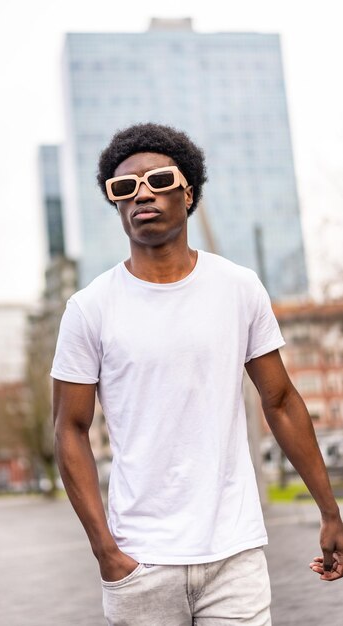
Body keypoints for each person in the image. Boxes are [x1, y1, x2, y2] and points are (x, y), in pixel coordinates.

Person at [51, 123, 343, 625]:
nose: (141, 194)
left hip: (234, 552)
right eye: (123, 188)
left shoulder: (238, 288)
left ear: (188, 193)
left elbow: (281, 402)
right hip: (140, 560)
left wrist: (330, 509)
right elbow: (70, 429)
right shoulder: (89, 308)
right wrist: (106, 552)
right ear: (117, 207)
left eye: (158, 180)